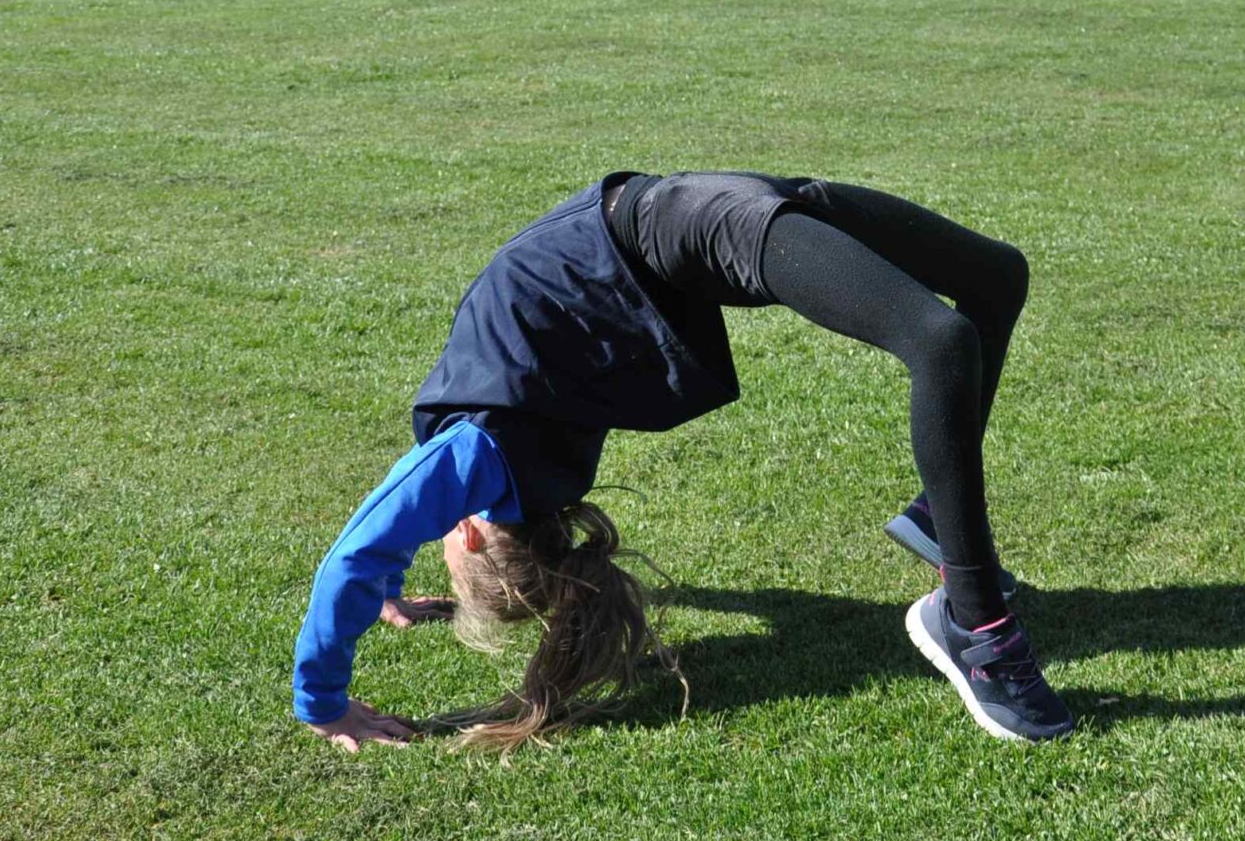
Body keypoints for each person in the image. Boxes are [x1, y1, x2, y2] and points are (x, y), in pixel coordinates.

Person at [292, 174, 1068, 752]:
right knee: (942, 340)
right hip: (685, 228)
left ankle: (940, 516)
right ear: (465, 536)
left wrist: (386, 592)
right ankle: (975, 623)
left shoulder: (516, 471)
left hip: (698, 216)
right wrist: (320, 700)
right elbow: (366, 540)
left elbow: (382, 537)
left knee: (997, 278)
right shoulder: (481, 455)